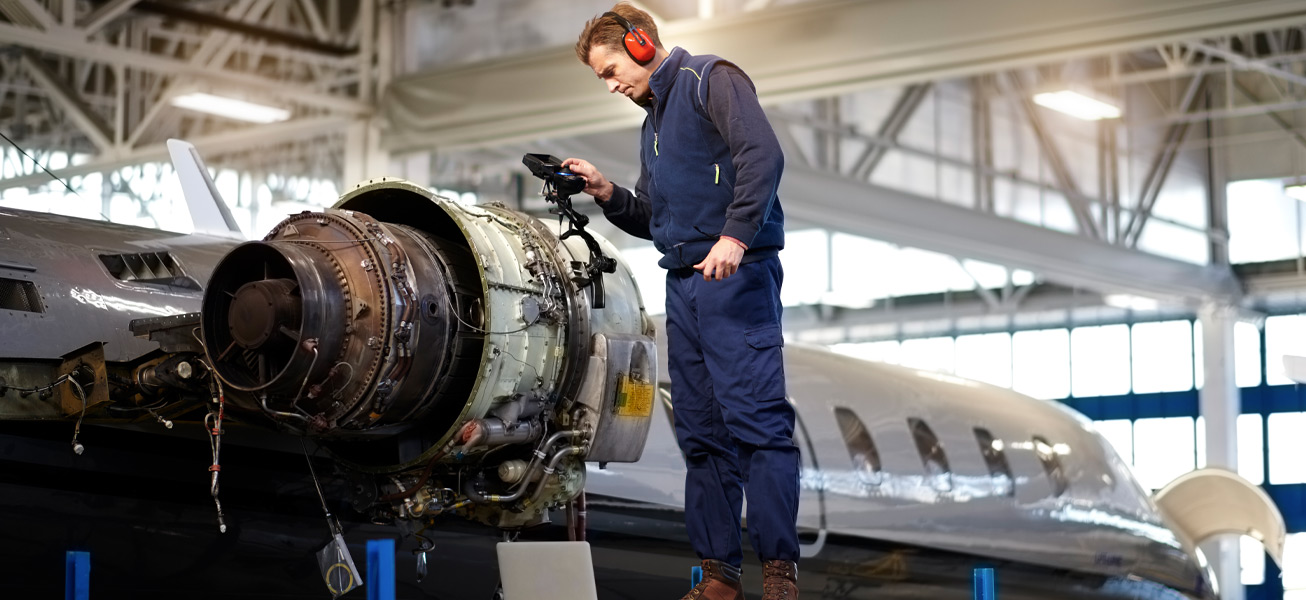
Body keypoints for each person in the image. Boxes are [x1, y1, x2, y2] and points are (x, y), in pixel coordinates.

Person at [563, 4, 799, 599]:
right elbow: (654, 218)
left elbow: (762, 157)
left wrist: (736, 236)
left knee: (756, 424)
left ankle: (779, 574)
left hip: (736, 278)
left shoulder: (711, 80)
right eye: (602, 79)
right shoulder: (654, 125)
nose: (612, 84)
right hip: (686, 285)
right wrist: (607, 191)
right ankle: (719, 575)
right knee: (701, 433)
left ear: (641, 44)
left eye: (612, 69)